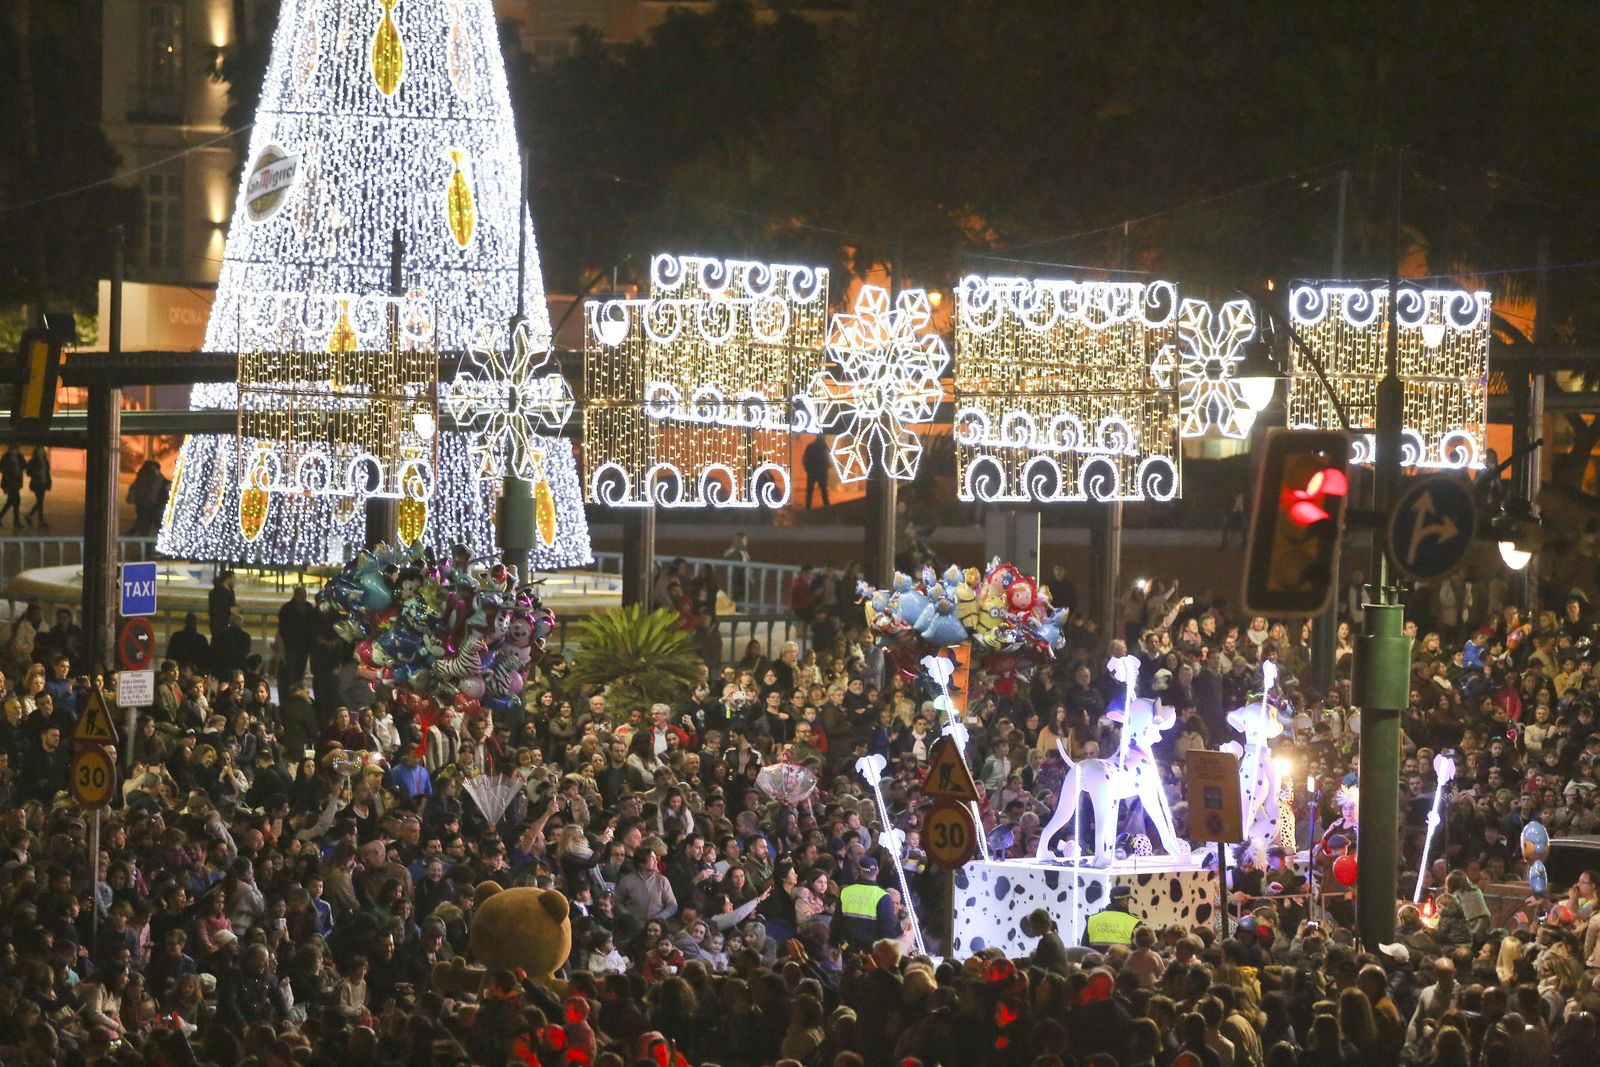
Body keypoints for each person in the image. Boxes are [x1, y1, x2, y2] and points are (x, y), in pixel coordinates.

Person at [835, 857, 897, 951]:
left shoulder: (845, 891)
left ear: (860, 871)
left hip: (846, 946)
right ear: (877, 872)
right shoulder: (883, 896)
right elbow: (887, 929)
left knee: (845, 957)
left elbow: (836, 923)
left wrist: (834, 945)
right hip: (870, 950)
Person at [277, 586, 318, 695]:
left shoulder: (308, 607)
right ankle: (290, 692)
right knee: (291, 669)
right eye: (300, 594)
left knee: (301, 669)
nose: (303, 597)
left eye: (304, 594)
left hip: (304, 645)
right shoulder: (287, 608)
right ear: (295, 595)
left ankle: (298, 691)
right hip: (292, 644)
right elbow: (283, 628)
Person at [802, 434, 832, 508]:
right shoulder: (823, 447)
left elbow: (805, 459)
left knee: (810, 490)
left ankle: (808, 506)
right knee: (823, 490)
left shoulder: (811, 446)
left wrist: (808, 470)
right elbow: (826, 458)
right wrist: (828, 465)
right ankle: (826, 505)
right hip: (821, 471)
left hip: (812, 471)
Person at [23, 446, 50, 528]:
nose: (40, 452)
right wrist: (36, 473)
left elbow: (47, 473)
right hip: (36, 483)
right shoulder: (33, 461)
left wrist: (48, 482)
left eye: (41, 451)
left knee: (40, 502)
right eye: (39, 451)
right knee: (40, 501)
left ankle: (30, 516)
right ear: (36, 452)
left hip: (43, 483)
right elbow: (28, 472)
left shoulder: (45, 461)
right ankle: (40, 520)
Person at [0, 445, 24, 528]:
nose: (15, 451)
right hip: (10, 484)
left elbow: (24, 465)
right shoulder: (6, 458)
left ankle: (16, 521)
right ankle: (16, 521)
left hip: (16, 483)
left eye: (16, 450)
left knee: (12, 502)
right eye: (14, 450)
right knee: (14, 501)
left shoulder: (19, 457)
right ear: (10, 450)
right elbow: (2, 469)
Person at [210, 571, 238, 638]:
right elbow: (215, 608)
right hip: (218, 625)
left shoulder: (231, 591)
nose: (235, 580)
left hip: (228, 623)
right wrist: (229, 609)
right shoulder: (216, 592)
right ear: (227, 579)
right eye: (234, 578)